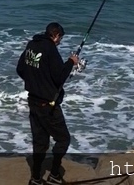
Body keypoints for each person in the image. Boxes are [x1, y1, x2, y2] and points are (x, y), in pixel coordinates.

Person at [16, 22, 80, 185]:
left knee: (40, 142)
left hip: (33, 101)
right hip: (48, 106)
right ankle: (54, 175)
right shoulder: (50, 49)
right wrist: (71, 62)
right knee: (63, 139)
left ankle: (36, 178)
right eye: (60, 39)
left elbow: (20, 69)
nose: (59, 42)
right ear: (55, 35)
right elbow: (59, 77)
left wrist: (36, 82)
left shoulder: (32, 45)